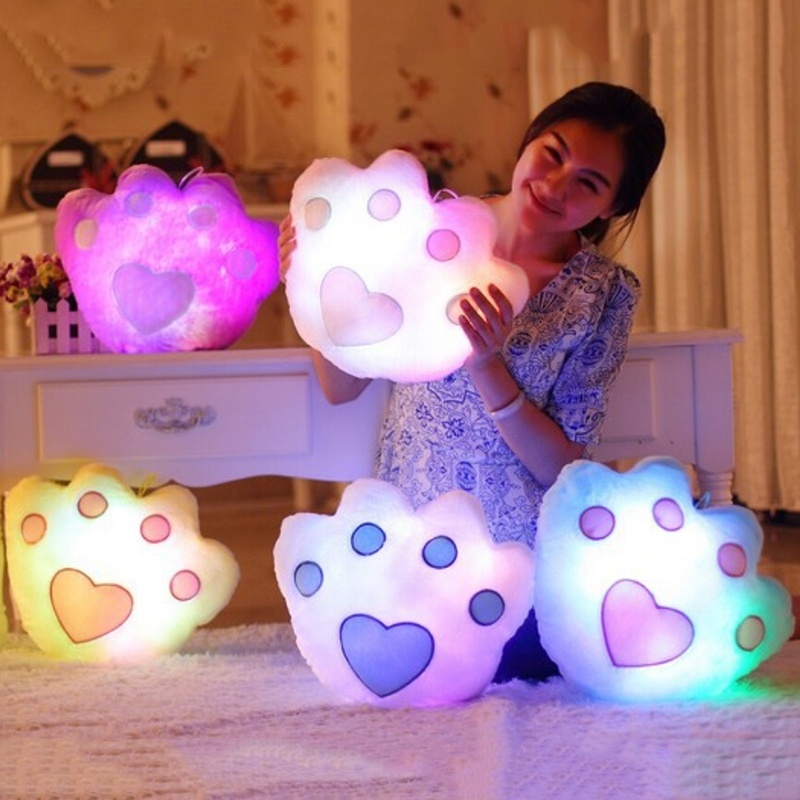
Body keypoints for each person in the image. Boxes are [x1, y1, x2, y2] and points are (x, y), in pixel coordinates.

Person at [279, 82, 667, 681]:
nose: (554, 185)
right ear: (529, 141)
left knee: (504, 670)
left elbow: (562, 465)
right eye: (553, 153)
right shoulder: (428, 230)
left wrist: (488, 366)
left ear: (613, 207)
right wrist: (312, 279)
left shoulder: (603, 295)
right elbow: (341, 388)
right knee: (393, 664)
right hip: (408, 546)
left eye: (588, 183)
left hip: (518, 563)